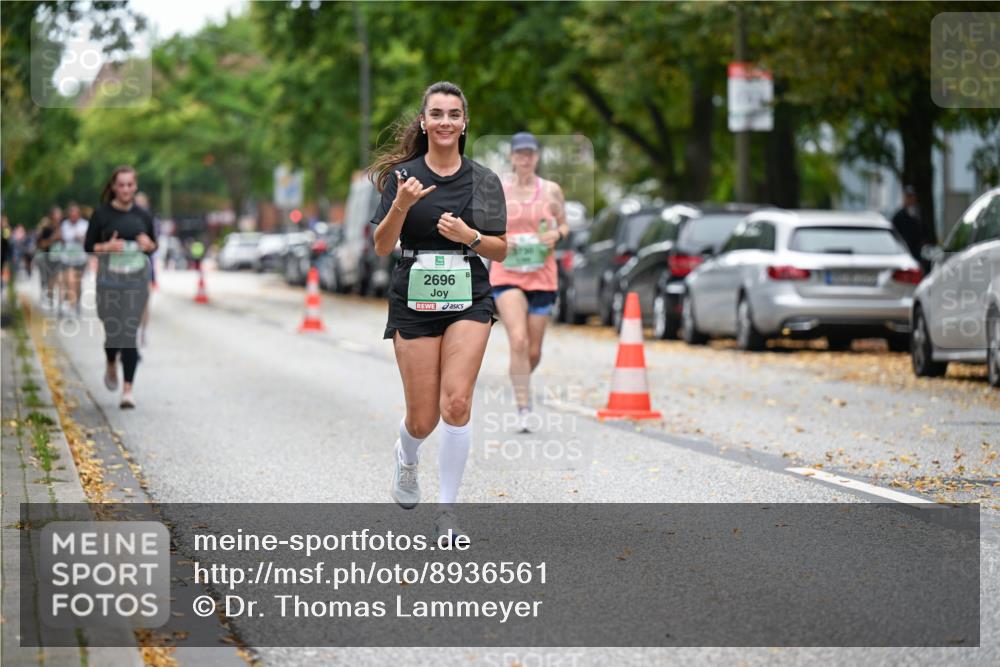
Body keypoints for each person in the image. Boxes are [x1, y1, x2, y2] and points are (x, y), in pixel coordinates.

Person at [369, 81, 507, 541]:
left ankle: (447, 514)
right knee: (423, 419)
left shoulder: (484, 180)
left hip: (470, 296)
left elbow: (501, 249)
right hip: (414, 298)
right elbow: (382, 245)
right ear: (424, 123)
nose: (445, 122)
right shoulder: (403, 177)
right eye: (437, 114)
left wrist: (470, 236)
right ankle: (407, 455)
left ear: (464, 124)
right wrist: (402, 205)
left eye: (454, 114)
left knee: (457, 403)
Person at [489, 132, 569, 432]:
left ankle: (519, 375)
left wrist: (556, 234)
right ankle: (524, 408)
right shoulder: (499, 190)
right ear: (512, 157)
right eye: (520, 153)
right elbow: (484, 225)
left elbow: (564, 225)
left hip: (542, 275)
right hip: (507, 273)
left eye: (530, 153)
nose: (525, 158)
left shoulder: (551, 190)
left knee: (533, 351)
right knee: (518, 340)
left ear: (536, 157)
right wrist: (500, 240)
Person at [84, 166, 157, 409]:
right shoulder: (101, 214)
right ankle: (110, 361)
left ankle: (127, 391)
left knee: (129, 332)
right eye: (121, 185)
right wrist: (106, 247)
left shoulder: (144, 215)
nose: (126, 189)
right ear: (114, 187)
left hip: (136, 281)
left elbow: (153, 245)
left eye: (130, 185)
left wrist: (149, 245)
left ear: (135, 187)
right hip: (108, 281)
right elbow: (88, 246)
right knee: (113, 332)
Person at [59, 203, 89, 315]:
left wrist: (81, 238)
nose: (74, 216)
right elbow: (62, 239)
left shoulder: (85, 224)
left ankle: (77, 303)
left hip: (80, 258)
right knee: (70, 281)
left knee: (78, 283)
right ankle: (71, 307)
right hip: (67, 258)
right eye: (72, 214)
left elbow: (88, 240)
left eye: (76, 214)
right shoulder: (64, 225)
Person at [891, 185, 925, 263]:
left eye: (912, 196)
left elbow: (923, 230)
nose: (910, 199)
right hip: (903, 250)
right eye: (908, 196)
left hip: (917, 251)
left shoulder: (919, 214)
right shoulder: (898, 216)